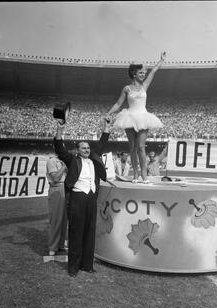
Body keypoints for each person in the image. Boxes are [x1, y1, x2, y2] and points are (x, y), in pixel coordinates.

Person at [54, 118, 111, 277]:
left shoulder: (94, 158)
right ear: (77, 150)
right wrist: (60, 131)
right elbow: (60, 149)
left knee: (89, 232)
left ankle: (87, 265)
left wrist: (106, 128)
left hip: (91, 198)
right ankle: (73, 267)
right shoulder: (72, 159)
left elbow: (102, 143)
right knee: (76, 232)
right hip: (78, 198)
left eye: (88, 147)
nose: (86, 150)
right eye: (83, 148)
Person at [105, 52, 166, 183]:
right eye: (141, 73)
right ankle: (135, 175)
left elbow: (154, 71)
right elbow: (118, 103)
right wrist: (108, 113)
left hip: (143, 117)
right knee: (132, 147)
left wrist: (161, 60)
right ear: (134, 74)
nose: (143, 75)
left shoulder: (145, 86)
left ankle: (144, 176)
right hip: (129, 117)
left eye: (144, 73)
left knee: (141, 147)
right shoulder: (127, 88)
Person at [46, 155, 68, 256]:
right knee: (55, 219)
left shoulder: (64, 160)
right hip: (57, 188)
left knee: (64, 220)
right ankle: (53, 247)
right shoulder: (52, 161)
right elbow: (55, 178)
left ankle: (60, 245)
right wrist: (64, 166)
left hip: (66, 189)